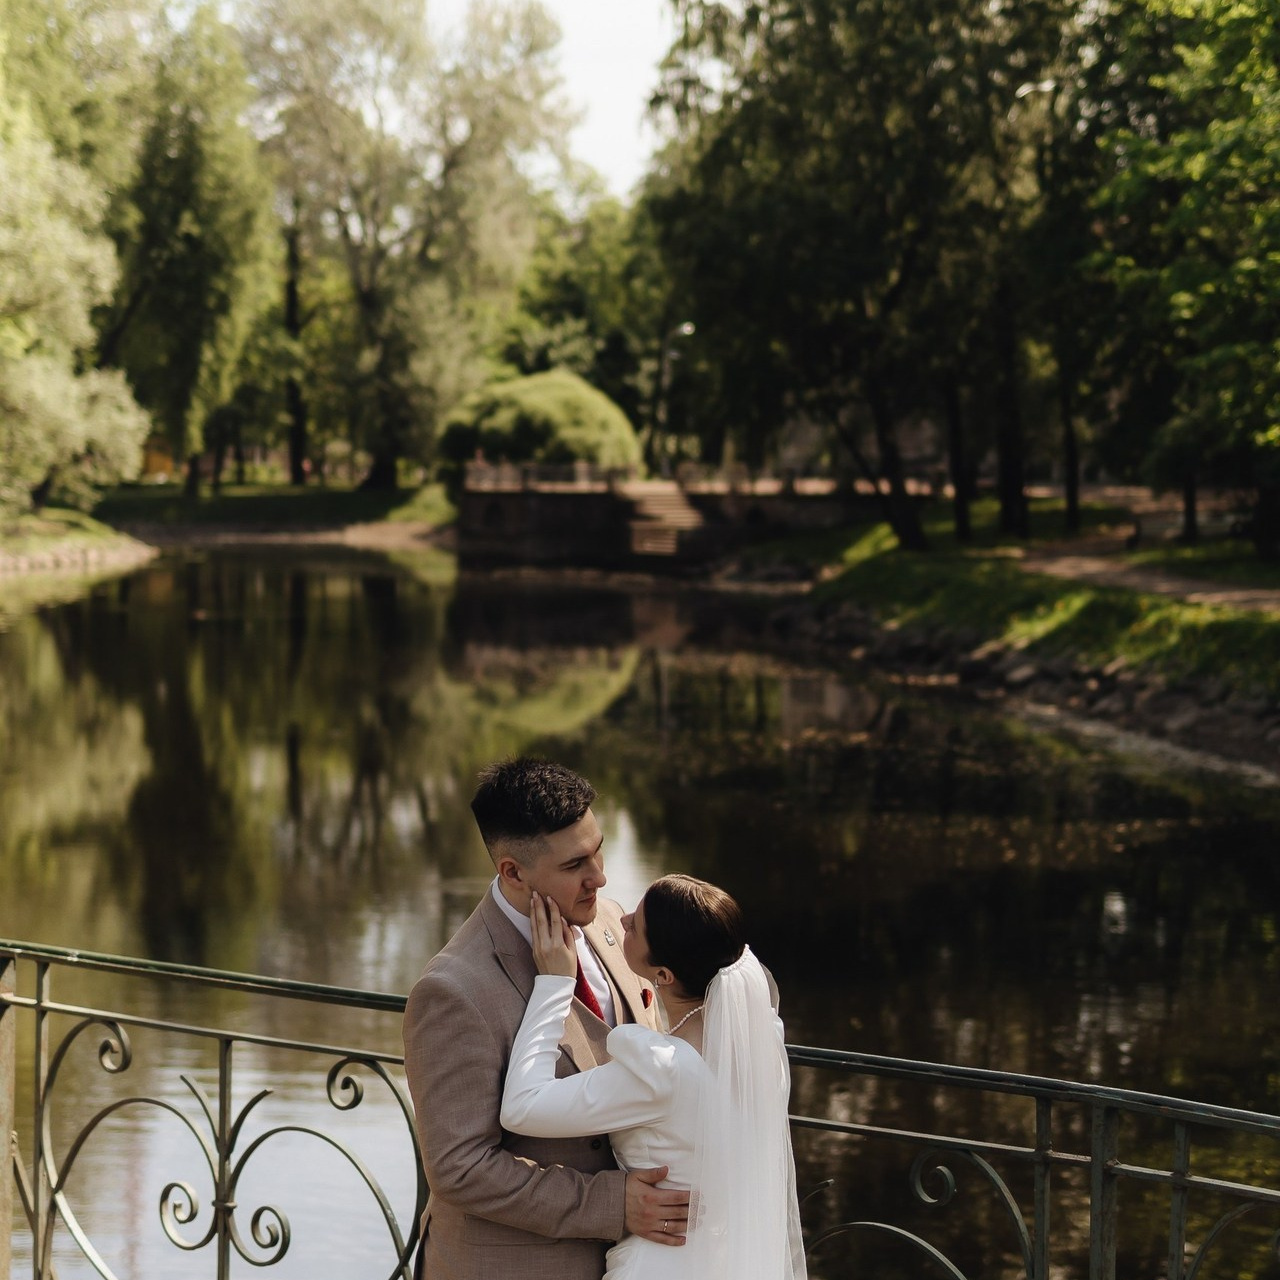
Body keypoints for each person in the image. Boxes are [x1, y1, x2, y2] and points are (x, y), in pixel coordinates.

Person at [402, 759, 690, 1280]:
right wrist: (612, 1204)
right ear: (513, 871)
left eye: (598, 849)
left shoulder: (613, 921)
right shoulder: (451, 991)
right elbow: (460, 1168)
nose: (599, 876)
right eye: (576, 864)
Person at [500, 874, 808, 1280]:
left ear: (663, 976)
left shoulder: (662, 1069)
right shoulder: (761, 1042)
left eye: (636, 926)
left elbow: (522, 1108)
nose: (623, 919)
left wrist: (555, 984)